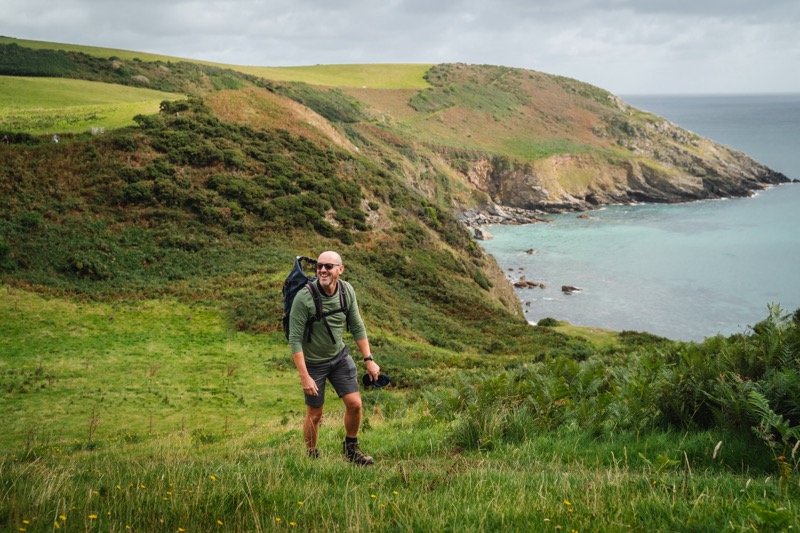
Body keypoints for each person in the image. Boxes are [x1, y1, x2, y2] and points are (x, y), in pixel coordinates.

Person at [288, 250, 380, 465]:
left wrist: (369, 359)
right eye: (319, 266)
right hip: (314, 364)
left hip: (339, 357)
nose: (322, 270)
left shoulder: (347, 291)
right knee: (315, 414)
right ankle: (311, 456)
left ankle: (351, 450)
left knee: (355, 404)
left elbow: (357, 325)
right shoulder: (304, 298)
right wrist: (304, 377)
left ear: (340, 269)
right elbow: (294, 340)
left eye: (328, 266)